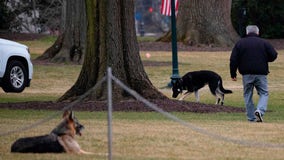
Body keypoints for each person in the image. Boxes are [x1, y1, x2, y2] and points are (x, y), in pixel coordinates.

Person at [230, 25, 278, 122]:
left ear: (247, 32)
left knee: (247, 94)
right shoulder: (264, 42)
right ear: (258, 32)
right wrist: (265, 59)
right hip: (261, 73)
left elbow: (233, 59)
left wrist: (233, 74)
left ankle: (251, 118)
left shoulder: (240, 43)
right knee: (264, 93)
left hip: (246, 74)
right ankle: (260, 110)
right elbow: (273, 55)